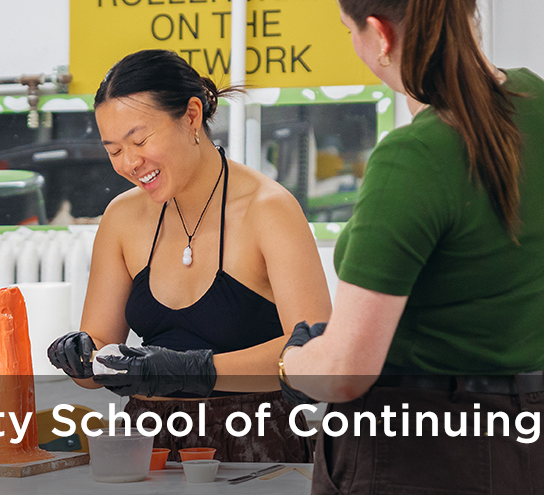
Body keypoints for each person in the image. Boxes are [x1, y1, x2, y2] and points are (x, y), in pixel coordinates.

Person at [277, 1, 544, 493]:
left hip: (419, 453)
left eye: (349, 31)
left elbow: (343, 374)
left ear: (379, 34)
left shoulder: (414, 157)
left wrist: (292, 360)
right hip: (529, 444)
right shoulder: (539, 101)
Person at [46, 49, 331, 463]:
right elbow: (102, 353)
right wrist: (82, 356)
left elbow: (317, 357)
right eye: (113, 150)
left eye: (140, 140)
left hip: (256, 443)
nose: (129, 162)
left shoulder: (268, 209)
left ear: (192, 116)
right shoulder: (121, 218)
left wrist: (195, 369)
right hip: (148, 445)